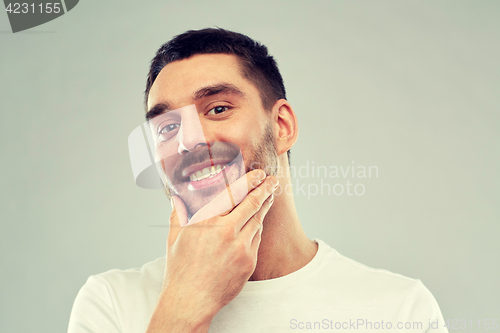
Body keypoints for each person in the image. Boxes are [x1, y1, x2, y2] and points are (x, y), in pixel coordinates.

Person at [68, 28, 448, 332]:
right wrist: (183, 306)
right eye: (167, 126)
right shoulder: (111, 304)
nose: (188, 141)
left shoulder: (399, 310)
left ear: (281, 126)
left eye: (218, 109)